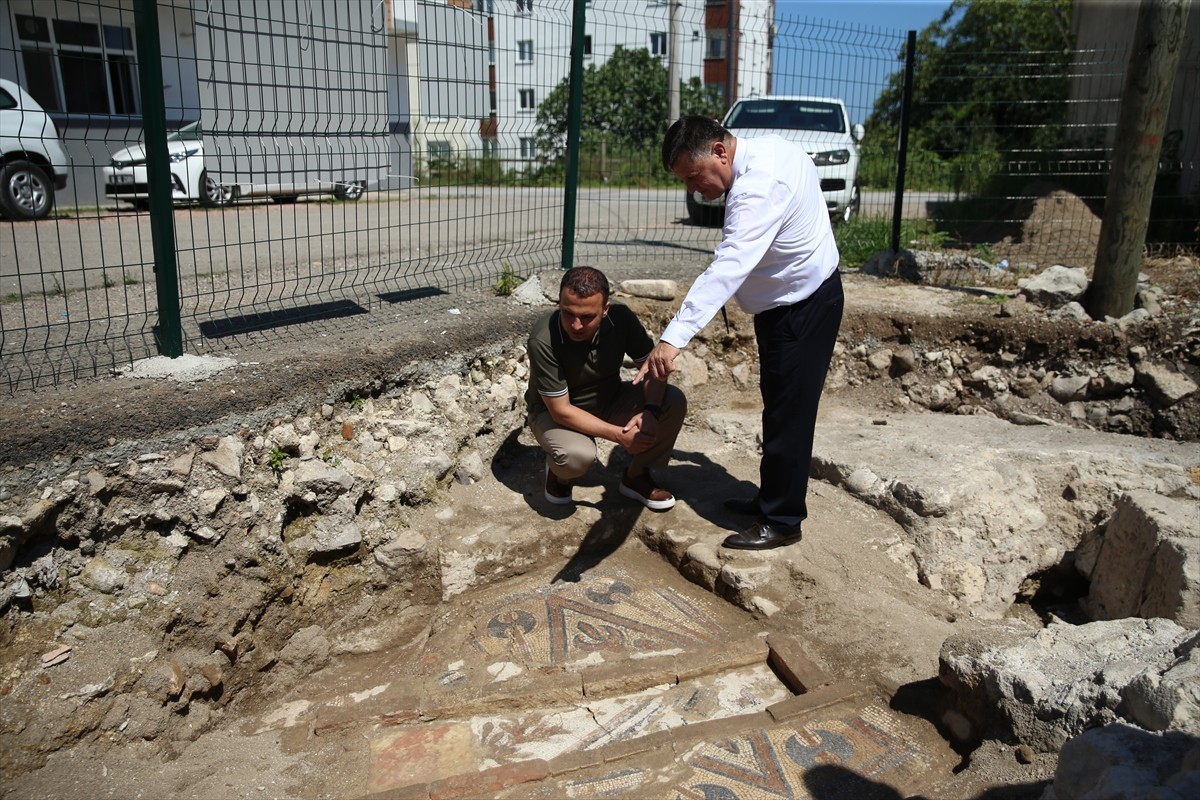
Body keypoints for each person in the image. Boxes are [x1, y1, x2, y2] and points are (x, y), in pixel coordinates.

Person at [636, 115, 844, 550]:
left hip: (802, 307)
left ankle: (783, 520)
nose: (693, 190)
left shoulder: (758, 186)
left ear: (719, 151)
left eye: (694, 177)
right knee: (779, 407)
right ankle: (772, 497)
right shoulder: (773, 147)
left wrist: (673, 337)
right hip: (791, 300)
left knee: (790, 415)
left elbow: (729, 266)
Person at [526, 266, 687, 511]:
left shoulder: (620, 319)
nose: (576, 325)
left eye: (587, 317)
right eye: (568, 313)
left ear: (605, 310)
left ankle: (636, 476)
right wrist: (618, 436)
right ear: (559, 303)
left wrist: (651, 411)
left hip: (608, 399)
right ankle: (560, 476)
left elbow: (652, 370)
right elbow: (561, 411)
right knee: (576, 456)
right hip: (555, 414)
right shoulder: (544, 338)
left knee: (672, 400)